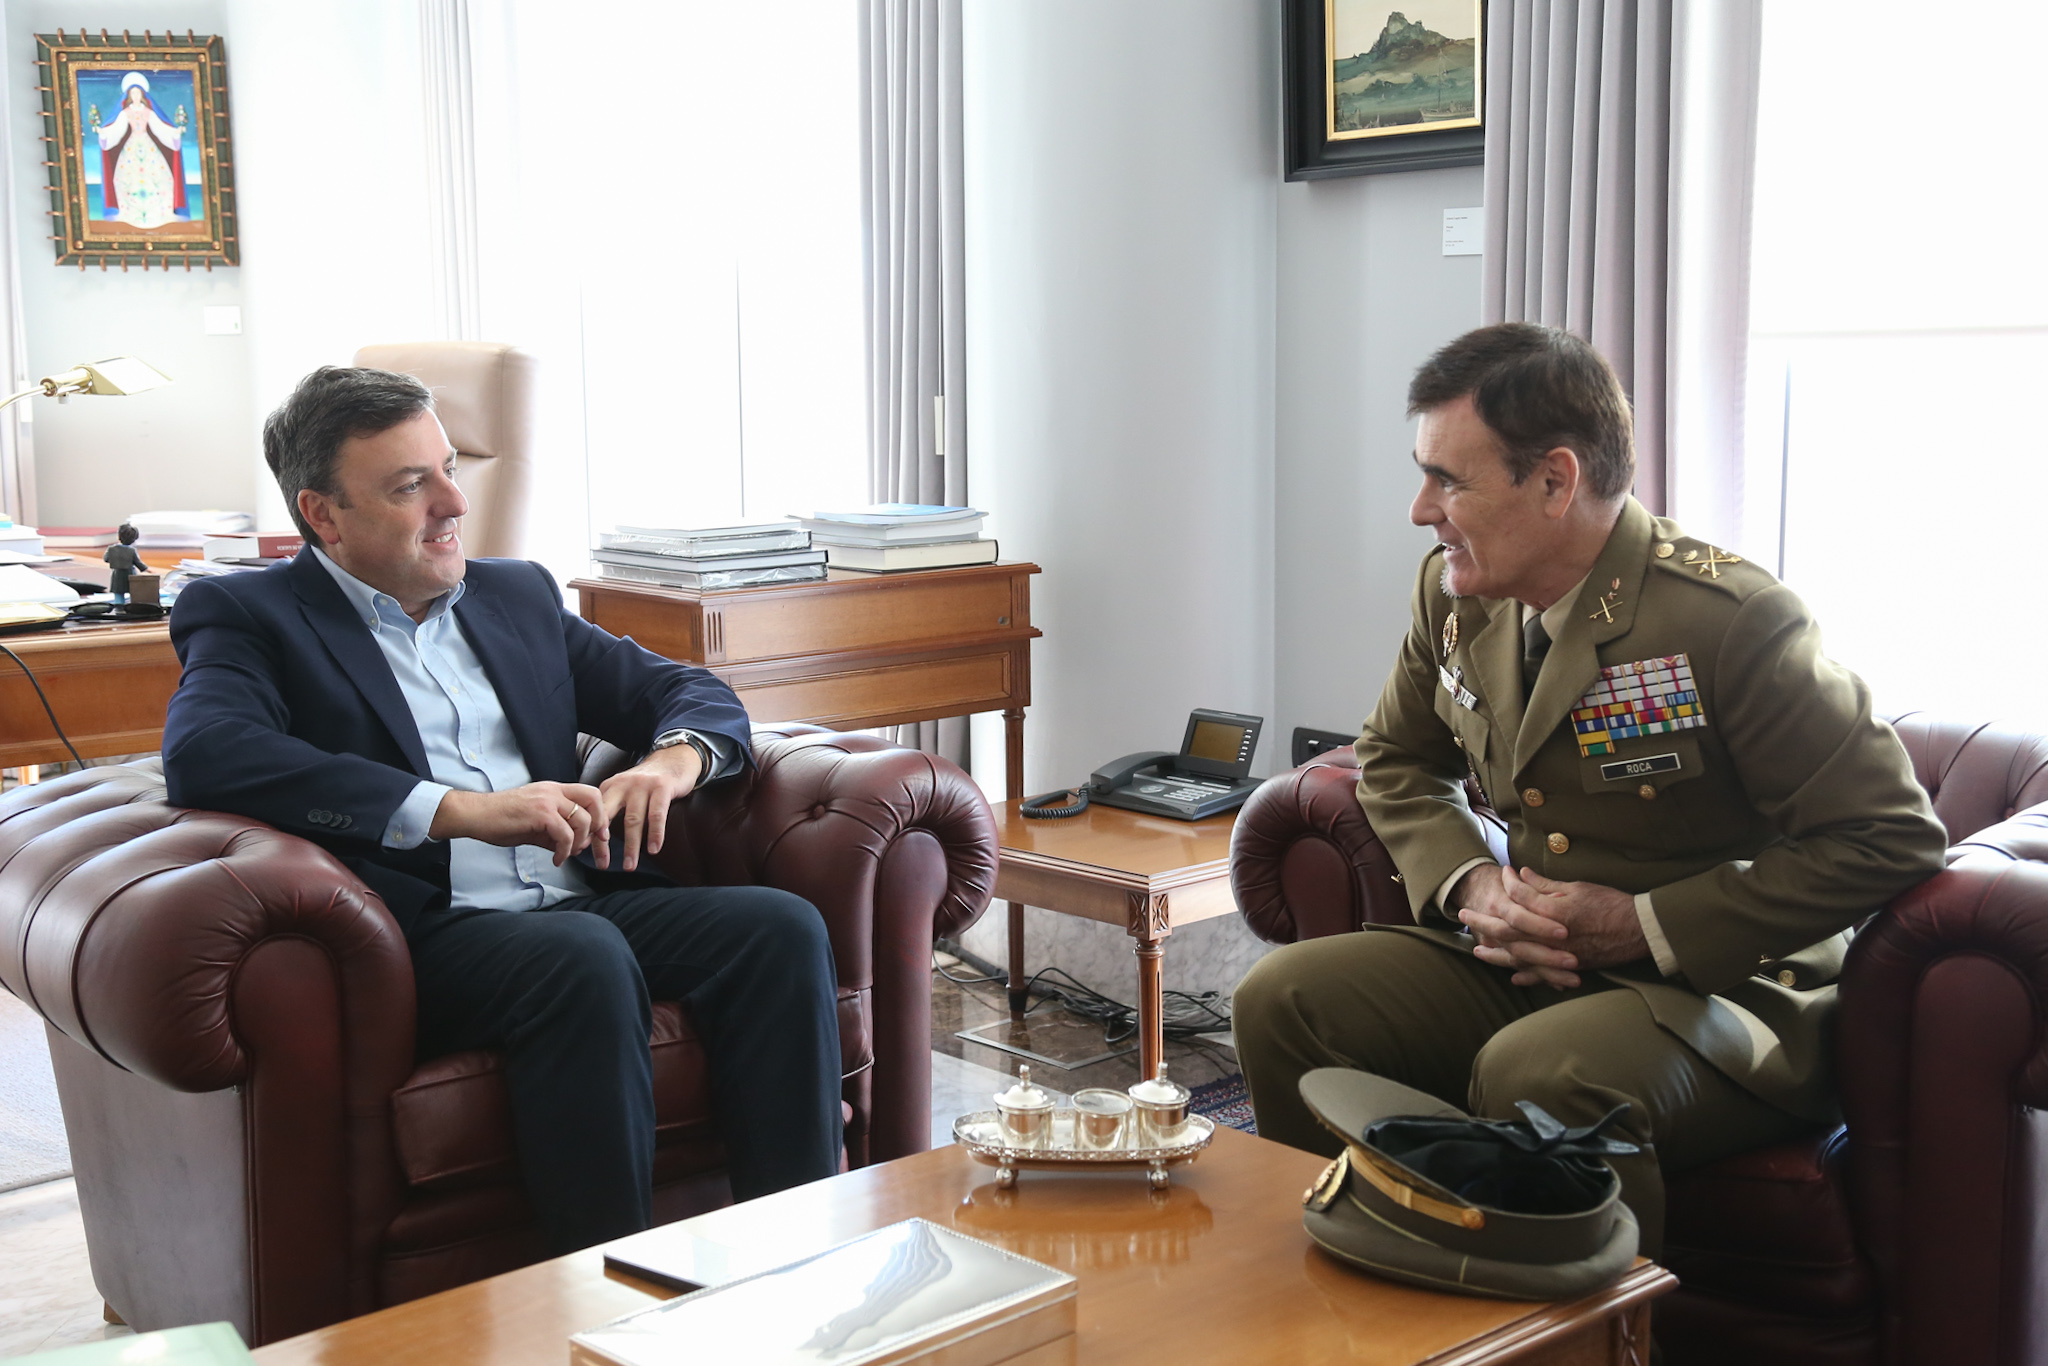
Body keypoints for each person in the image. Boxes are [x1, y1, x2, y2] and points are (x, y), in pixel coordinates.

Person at [1232, 322, 1947, 1256]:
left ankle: (1592, 1328)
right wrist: (1473, 885)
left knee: (1546, 1071)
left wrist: (1643, 925)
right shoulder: (1455, 596)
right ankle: (1357, 1278)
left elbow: (1890, 838)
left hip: (1729, 993)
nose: (1420, 510)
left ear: (1555, 481)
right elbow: (1398, 758)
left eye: (1449, 480)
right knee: (1282, 998)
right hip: (1536, 965)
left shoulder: (1729, 620)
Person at [161, 365, 843, 1254]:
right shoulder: (250, 613)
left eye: (449, 470)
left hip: (581, 899)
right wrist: (458, 810)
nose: (453, 503)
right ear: (323, 514)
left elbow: (682, 690)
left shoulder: (514, 593)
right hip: (421, 933)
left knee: (779, 928)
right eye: (410, 485)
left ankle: (800, 1252)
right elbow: (209, 751)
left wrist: (672, 764)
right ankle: (610, 1291)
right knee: (581, 955)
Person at [95, 73, 188, 230]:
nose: (136, 96)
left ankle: (158, 215)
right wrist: (104, 133)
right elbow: (117, 129)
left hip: (148, 147)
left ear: (143, 95)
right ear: (129, 96)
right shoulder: (125, 113)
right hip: (130, 149)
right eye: (133, 93)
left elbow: (159, 127)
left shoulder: (148, 112)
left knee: (158, 178)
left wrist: (175, 132)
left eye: (138, 93)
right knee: (127, 180)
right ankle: (131, 216)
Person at [103, 523, 146, 602]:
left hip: (117, 575)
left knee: (118, 593)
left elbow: (106, 559)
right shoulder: (132, 550)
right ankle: (133, 605)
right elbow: (138, 562)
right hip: (130, 574)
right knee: (133, 592)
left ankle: (118, 606)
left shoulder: (111, 549)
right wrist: (146, 569)